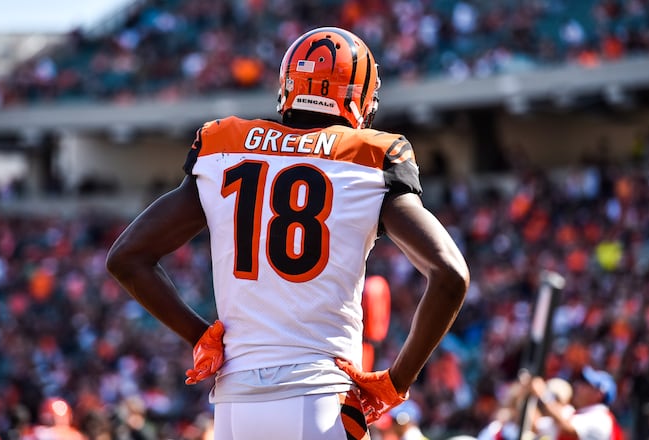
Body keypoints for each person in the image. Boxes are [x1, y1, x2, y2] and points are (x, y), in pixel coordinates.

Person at [106, 26, 469, 440]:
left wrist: (201, 335)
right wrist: (396, 382)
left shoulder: (224, 147)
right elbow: (450, 274)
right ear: (360, 96)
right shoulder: (369, 157)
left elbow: (126, 257)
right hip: (322, 395)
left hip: (233, 401)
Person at [527, 366, 623, 440]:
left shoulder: (602, 419)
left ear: (599, 394)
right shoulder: (576, 414)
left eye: (585, 384)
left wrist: (543, 395)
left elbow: (568, 429)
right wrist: (528, 395)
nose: (578, 386)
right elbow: (535, 426)